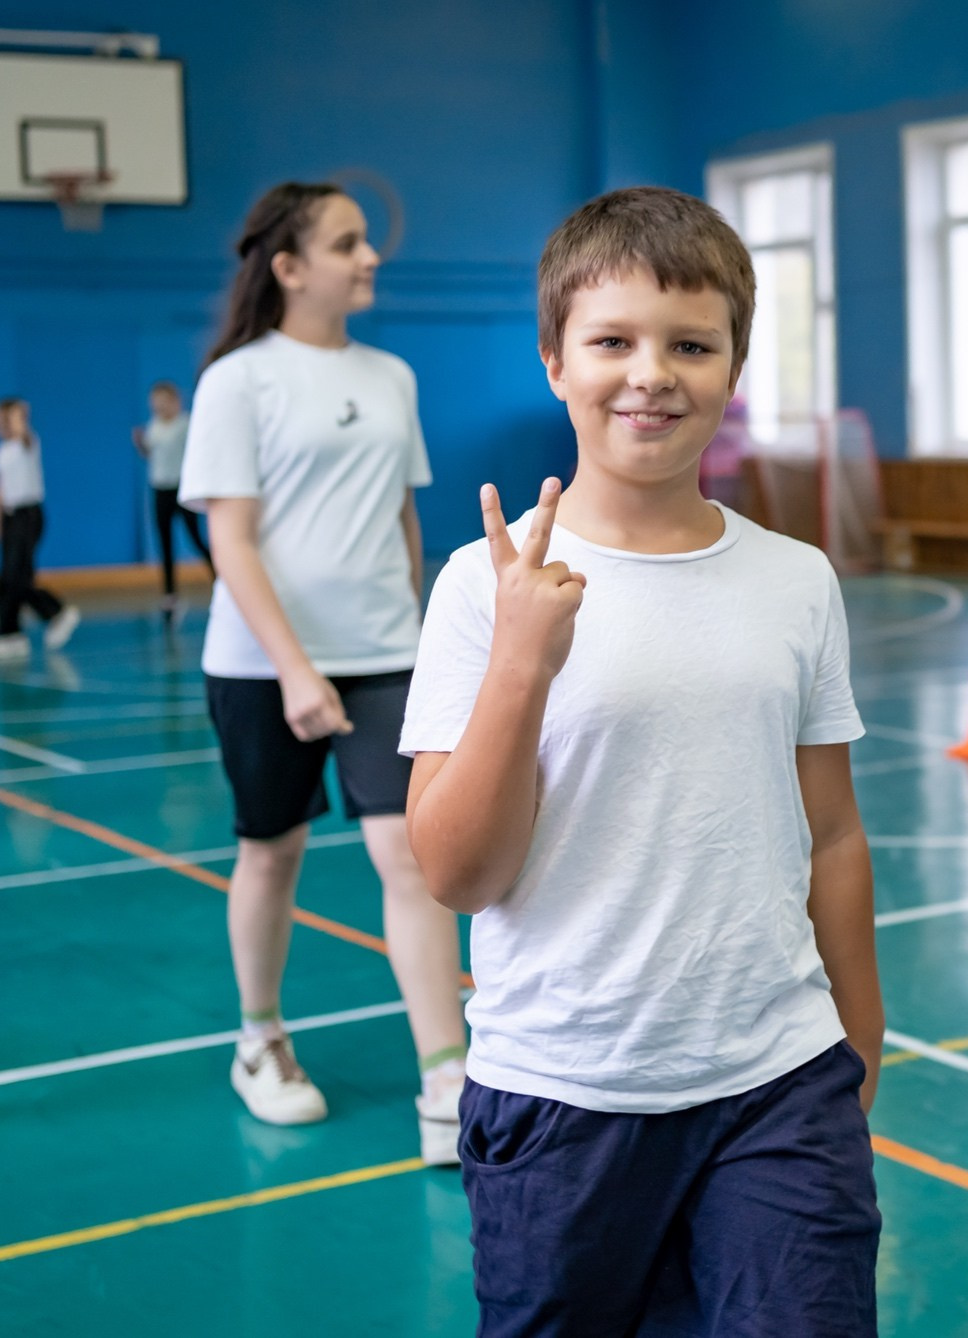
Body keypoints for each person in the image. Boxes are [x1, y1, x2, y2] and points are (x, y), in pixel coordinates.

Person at [400, 187, 884, 1335]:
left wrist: (857, 1042)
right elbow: (457, 875)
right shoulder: (483, 587)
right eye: (612, 340)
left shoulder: (794, 579)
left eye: (689, 344)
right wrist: (521, 661)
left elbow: (831, 833)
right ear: (554, 361)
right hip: (562, 1097)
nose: (650, 373)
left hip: (779, 1083)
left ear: (732, 363)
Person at [180, 182, 467, 1158]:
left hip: (387, 654)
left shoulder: (390, 375)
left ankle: (445, 1076)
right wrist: (298, 671)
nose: (369, 256)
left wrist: (422, 628)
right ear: (289, 267)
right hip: (264, 666)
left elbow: (401, 517)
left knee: (412, 857)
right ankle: (258, 1039)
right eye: (348, 244)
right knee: (273, 851)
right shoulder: (237, 382)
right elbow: (232, 540)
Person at [0, 397, 79, 664]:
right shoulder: (2, 451)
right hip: (11, 517)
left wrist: (18, 416)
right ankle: (9, 633)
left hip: (29, 515)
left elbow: (22, 431)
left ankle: (56, 612)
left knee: (18, 576)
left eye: (2, 420)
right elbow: (0, 490)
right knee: (7, 578)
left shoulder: (27, 443)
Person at [134, 380, 214, 620]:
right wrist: (141, 445)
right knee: (165, 543)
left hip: (182, 489)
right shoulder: (154, 425)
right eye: (154, 401)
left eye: (162, 400)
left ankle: (222, 581)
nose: (158, 405)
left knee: (195, 540)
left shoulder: (186, 424)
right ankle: (170, 594)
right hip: (160, 490)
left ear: (174, 400)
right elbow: (151, 454)